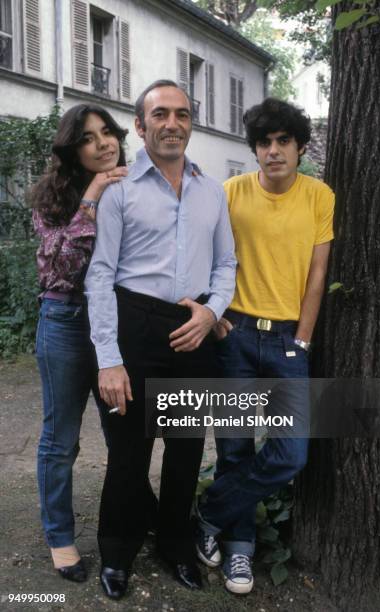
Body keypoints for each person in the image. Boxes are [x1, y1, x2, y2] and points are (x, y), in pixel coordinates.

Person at [85, 79, 236, 600]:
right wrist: (108, 359)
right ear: (140, 124)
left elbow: (226, 264)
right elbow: (100, 274)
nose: (173, 123)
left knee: (186, 450)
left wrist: (213, 310)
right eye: (161, 114)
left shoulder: (211, 190)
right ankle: (117, 553)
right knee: (129, 451)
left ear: (191, 123)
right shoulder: (118, 189)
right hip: (134, 328)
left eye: (182, 114)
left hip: (194, 330)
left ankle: (173, 545)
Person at [196, 98, 335, 595]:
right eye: (264, 142)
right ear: (254, 148)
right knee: (234, 449)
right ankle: (240, 554)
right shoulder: (230, 192)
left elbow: (317, 275)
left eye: (283, 142)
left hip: (286, 342)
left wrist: (302, 338)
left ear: (299, 147)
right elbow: (210, 257)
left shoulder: (319, 196)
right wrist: (213, 316)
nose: (273, 151)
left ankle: (210, 511)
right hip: (233, 335)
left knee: (289, 454)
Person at [32, 104, 129, 582]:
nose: (104, 142)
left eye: (107, 132)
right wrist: (93, 193)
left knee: (125, 435)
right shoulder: (51, 199)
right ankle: (59, 536)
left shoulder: (133, 184)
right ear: (73, 148)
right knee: (61, 440)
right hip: (67, 322)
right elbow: (61, 270)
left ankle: (131, 522)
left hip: (118, 324)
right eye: (90, 137)